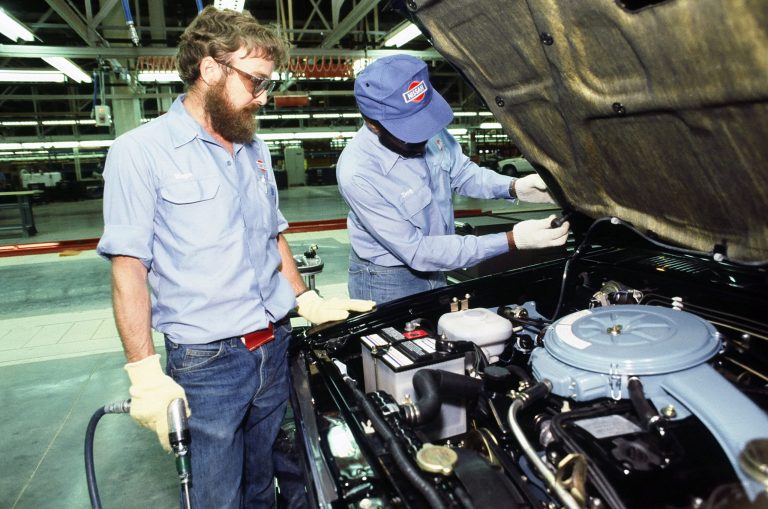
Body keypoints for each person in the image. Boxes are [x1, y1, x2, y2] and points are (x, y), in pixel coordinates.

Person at [96, 7, 374, 508]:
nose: (263, 96)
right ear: (210, 70)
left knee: (264, 483)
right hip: (209, 363)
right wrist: (143, 370)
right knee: (217, 498)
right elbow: (128, 270)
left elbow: (274, 235)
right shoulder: (140, 152)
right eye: (255, 81)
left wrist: (304, 299)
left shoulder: (254, 147)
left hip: (275, 346)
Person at [336, 54, 571, 303]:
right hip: (388, 279)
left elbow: (462, 173)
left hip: (439, 264)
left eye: (424, 123)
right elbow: (418, 251)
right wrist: (513, 240)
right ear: (373, 124)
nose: (423, 138)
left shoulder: (420, 120)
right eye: (411, 132)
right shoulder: (358, 172)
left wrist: (514, 187)